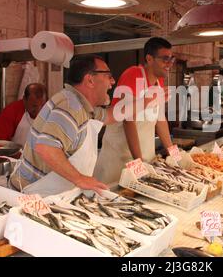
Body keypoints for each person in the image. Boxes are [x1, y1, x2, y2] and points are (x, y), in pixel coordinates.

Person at [9, 56, 160, 196]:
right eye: (108, 76)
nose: (112, 82)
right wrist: (80, 179)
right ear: (90, 80)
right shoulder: (70, 106)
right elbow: (46, 148)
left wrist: (146, 102)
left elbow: (112, 114)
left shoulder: (84, 106)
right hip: (33, 196)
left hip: (52, 195)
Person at [95, 37, 175, 185]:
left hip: (144, 158)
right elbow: (128, 120)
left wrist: (174, 154)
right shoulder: (133, 75)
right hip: (119, 158)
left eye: (171, 59)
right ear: (149, 59)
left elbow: (160, 119)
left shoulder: (159, 81)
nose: (169, 64)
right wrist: (138, 162)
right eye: (165, 59)